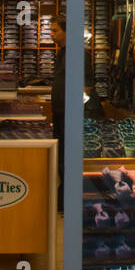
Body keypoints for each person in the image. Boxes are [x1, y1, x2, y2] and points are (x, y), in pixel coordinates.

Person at [50, 14, 103, 212]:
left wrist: (76, 109)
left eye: (55, 30)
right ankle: (65, 199)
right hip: (61, 113)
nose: (51, 34)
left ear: (67, 32)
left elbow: (87, 87)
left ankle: (68, 201)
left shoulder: (79, 54)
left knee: (69, 158)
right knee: (62, 157)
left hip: (70, 115)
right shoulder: (63, 53)